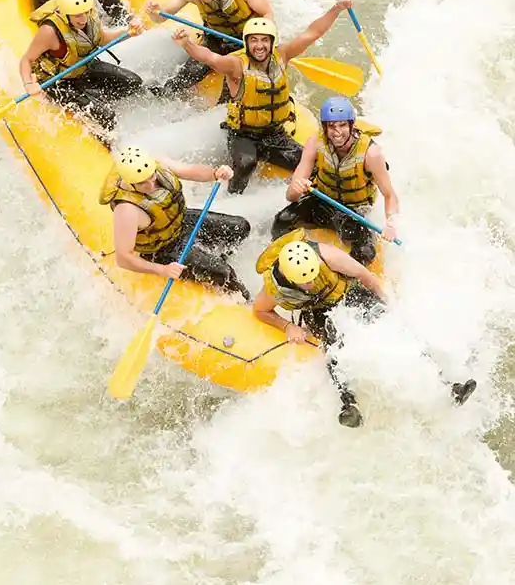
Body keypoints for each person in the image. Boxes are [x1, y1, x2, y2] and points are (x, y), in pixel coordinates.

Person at [253, 230, 477, 428]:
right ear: (291, 279)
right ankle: (349, 405)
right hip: (319, 310)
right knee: (332, 347)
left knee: (397, 330)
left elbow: (364, 275)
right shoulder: (275, 287)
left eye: (312, 277)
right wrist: (288, 326)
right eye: (305, 282)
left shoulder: (327, 256)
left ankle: (449, 385)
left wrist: (386, 304)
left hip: (348, 294)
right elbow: (260, 311)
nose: (311, 284)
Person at [171, 2, 352, 194]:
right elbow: (210, 58)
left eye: (264, 40)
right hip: (244, 134)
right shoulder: (236, 65)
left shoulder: (282, 55)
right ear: (247, 42)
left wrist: (336, 10)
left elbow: (312, 33)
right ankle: (232, 196)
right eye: (254, 40)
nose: (259, 46)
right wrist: (187, 45)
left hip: (275, 134)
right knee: (247, 163)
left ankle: (308, 198)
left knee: (314, 164)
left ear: (272, 42)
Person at [100, 146, 251, 299]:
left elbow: (190, 171)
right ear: (130, 183)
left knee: (241, 227)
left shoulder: (158, 164)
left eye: (152, 176)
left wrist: (215, 173)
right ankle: (245, 301)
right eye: (142, 183)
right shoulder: (126, 210)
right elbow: (123, 259)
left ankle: (215, 257)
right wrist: (162, 270)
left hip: (183, 222)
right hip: (163, 250)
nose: (151, 185)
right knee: (224, 272)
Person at [272, 96, 399, 265]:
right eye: (331, 126)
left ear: (351, 125)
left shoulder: (372, 154)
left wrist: (391, 223)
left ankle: (346, 283)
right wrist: (297, 187)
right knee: (282, 221)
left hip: (353, 211)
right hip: (321, 201)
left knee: (365, 252)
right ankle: (285, 263)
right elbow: (291, 196)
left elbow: (390, 195)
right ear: (325, 127)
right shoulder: (315, 142)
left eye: (342, 125)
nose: (337, 132)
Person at [19, 0, 144, 129]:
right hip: (59, 82)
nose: (83, 19)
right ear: (65, 14)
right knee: (107, 115)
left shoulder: (89, 15)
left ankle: (93, 101)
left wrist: (128, 33)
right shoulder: (50, 31)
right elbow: (26, 60)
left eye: (85, 12)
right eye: (78, 15)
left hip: (82, 68)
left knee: (133, 82)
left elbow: (103, 39)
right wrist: (29, 85)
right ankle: (94, 118)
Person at [145, 0, 273, 96]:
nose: (204, 0)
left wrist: (261, 42)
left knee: (231, 90)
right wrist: (155, 12)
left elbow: (267, 13)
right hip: (216, 38)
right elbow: (161, 17)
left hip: (246, 40)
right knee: (187, 76)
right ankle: (160, 94)